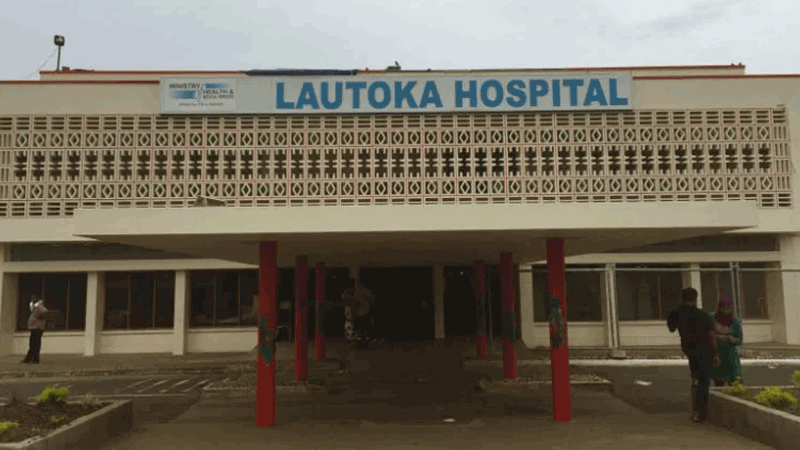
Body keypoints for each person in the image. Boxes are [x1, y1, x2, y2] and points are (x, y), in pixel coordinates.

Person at [667, 287, 720, 423]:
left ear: (682, 298)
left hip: (690, 350)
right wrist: (716, 353)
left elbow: (671, 328)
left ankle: (696, 411)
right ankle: (699, 411)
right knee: (704, 381)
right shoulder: (703, 315)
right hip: (705, 350)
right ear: (696, 299)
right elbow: (712, 335)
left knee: (697, 378)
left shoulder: (677, 313)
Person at [709, 296, 743, 386]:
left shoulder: (734, 322)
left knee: (736, 382)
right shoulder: (712, 319)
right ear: (719, 308)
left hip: (730, 355)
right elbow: (706, 334)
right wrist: (717, 337)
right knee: (718, 382)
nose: (726, 311)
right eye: (724, 308)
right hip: (717, 354)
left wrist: (731, 339)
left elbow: (739, 339)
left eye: (728, 309)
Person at [22, 295, 48, 364]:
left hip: (37, 328)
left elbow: (45, 312)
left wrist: (41, 319)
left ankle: (34, 358)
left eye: (34, 298)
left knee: (35, 344)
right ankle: (30, 357)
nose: (32, 299)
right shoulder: (34, 307)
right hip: (34, 327)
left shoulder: (39, 306)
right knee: (32, 344)